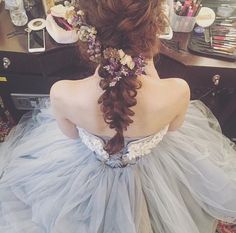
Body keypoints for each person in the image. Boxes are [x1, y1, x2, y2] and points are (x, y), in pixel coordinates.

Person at [0, 0, 236, 232]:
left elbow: (71, 135)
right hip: (157, 177)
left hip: (83, 171)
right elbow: (174, 129)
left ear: (86, 33)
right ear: (153, 30)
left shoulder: (62, 93)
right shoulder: (177, 91)